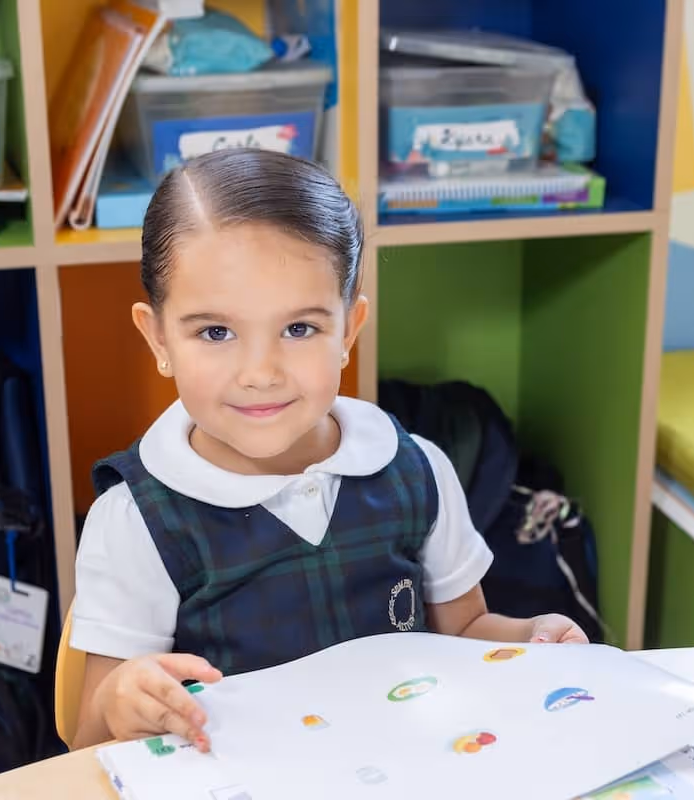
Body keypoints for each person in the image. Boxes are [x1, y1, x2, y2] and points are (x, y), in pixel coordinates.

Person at [70, 149, 588, 753]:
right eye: (215, 332)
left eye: (299, 329)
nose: (259, 373)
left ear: (349, 330)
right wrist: (120, 703)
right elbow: (89, 743)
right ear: (157, 338)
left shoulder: (415, 469)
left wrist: (532, 636)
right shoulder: (136, 519)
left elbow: (467, 629)